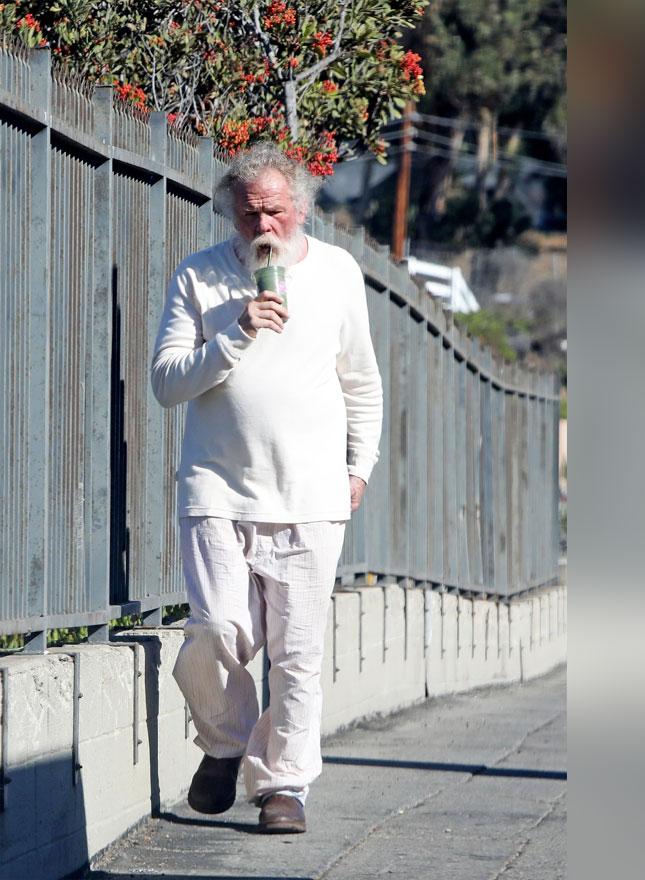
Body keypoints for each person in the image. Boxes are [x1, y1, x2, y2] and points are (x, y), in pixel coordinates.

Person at [149, 141, 383, 834]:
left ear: (301, 209)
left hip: (311, 495)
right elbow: (166, 383)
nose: (265, 229)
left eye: (276, 213)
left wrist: (358, 467)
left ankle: (283, 786)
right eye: (251, 216)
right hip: (217, 488)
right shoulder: (200, 277)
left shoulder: (338, 273)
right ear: (231, 215)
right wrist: (235, 334)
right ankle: (225, 744)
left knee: (298, 654)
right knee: (217, 630)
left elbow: (361, 383)